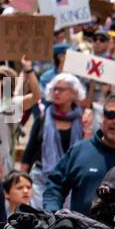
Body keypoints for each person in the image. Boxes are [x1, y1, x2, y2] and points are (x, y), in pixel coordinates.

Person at [20, 73, 86, 208]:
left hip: (69, 180)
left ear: (74, 93)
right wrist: (22, 177)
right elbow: (30, 151)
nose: (56, 92)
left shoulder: (83, 120)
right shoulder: (43, 118)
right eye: (54, 89)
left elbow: (85, 151)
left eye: (61, 89)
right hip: (40, 178)